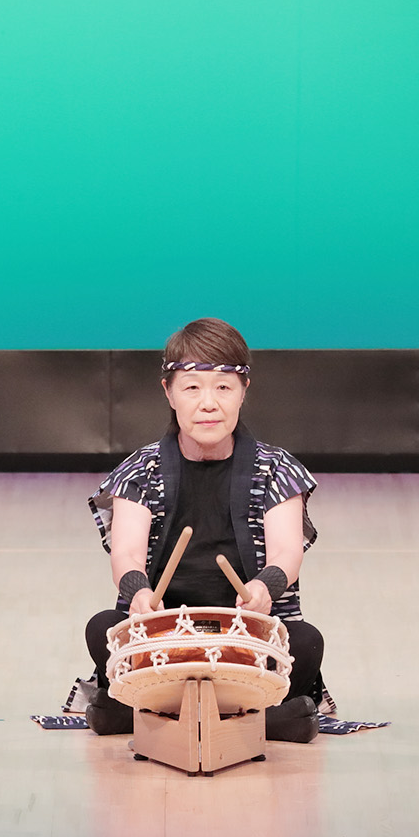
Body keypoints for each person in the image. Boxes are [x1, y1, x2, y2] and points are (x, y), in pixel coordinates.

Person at [83, 318, 324, 743]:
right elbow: (126, 554)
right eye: (192, 387)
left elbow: (287, 552)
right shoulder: (139, 471)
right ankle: (258, 720)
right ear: (168, 392)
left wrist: (264, 588)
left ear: (244, 391)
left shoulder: (277, 469)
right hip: (164, 635)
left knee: (304, 641)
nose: (208, 403)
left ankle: (147, 713)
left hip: (244, 635)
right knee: (102, 626)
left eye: (224, 387)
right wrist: (140, 594)